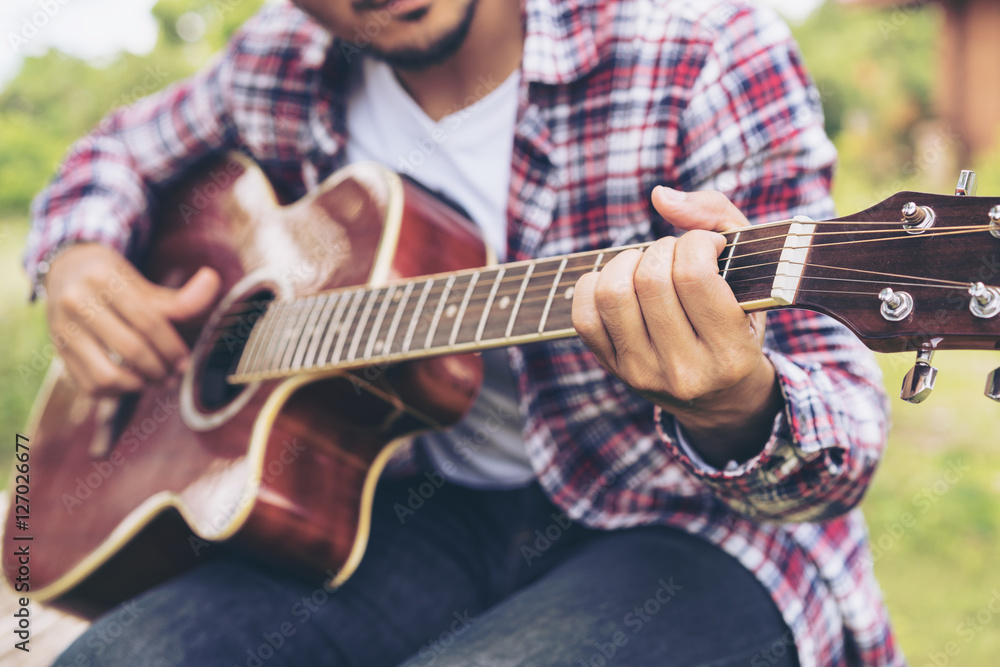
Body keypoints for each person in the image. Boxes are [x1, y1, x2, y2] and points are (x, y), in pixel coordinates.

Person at [26, 0, 902, 664]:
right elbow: (120, 149)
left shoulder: (701, 47)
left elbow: (842, 449)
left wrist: (734, 405)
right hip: (408, 508)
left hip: (690, 522)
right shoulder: (282, 59)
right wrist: (77, 255)